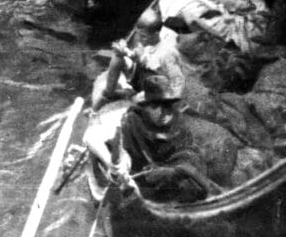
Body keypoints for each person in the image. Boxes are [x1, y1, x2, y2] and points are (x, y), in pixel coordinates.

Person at [83, 73, 215, 203]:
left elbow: (190, 154)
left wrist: (170, 171)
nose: (164, 112)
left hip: (168, 177)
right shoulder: (130, 121)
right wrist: (117, 166)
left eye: (167, 105)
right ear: (145, 106)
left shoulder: (178, 125)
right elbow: (91, 137)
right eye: (156, 105)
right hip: (136, 176)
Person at [92, 7, 183, 111]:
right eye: (138, 34)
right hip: (141, 76)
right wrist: (126, 52)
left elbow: (177, 81)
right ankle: (108, 94)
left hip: (154, 88)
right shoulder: (147, 41)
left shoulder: (166, 54)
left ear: (156, 34)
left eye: (143, 36)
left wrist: (158, 97)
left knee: (135, 102)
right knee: (117, 58)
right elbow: (139, 56)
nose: (139, 39)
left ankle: (129, 96)